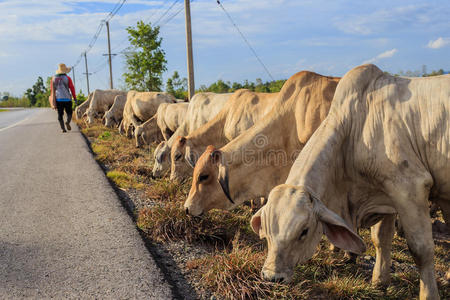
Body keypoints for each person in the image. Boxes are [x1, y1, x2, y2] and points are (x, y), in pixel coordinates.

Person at [50, 63, 77, 133]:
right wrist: (75, 98)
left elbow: (52, 90)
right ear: (65, 71)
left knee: (60, 115)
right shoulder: (68, 78)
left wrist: (53, 101)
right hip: (67, 99)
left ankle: (63, 129)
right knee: (69, 113)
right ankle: (67, 122)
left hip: (58, 99)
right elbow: (72, 88)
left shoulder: (53, 78)